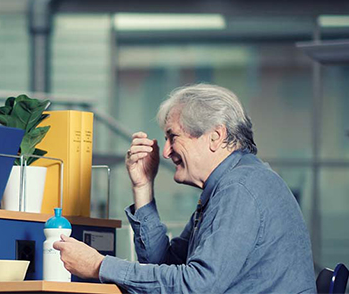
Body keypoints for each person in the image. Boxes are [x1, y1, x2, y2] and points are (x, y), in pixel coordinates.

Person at [54, 83, 316, 293]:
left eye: (173, 136)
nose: (166, 152)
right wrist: (143, 186)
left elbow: (197, 285)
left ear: (215, 136)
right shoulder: (226, 188)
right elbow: (165, 265)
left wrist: (99, 265)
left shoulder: (239, 189)